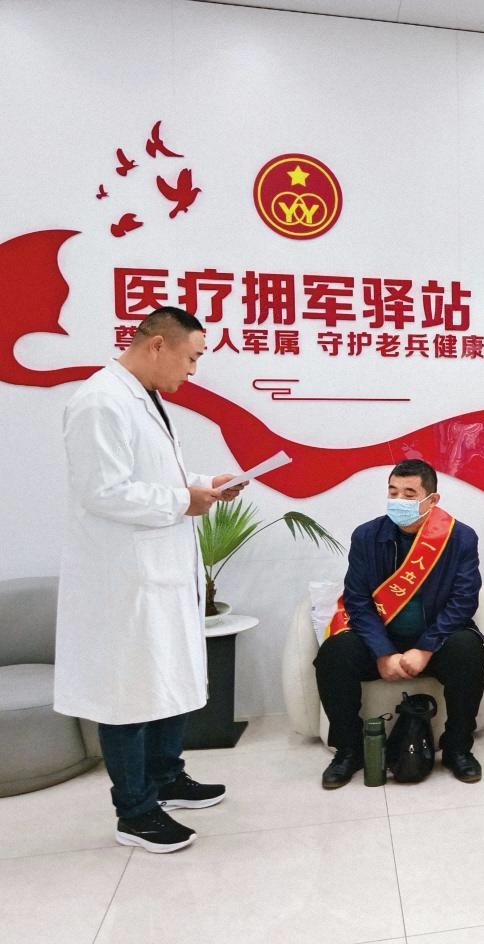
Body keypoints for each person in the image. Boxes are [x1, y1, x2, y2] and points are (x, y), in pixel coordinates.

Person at [56, 306, 246, 854]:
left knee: (166, 679)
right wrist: (184, 500)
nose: (193, 370)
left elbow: (155, 476)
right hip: (124, 581)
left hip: (158, 573)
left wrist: (206, 484)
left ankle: (166, 777)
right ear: (158, 344)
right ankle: (135, 812)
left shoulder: (146, 398)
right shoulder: (100, 401)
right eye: (191, 358)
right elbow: (103, 491)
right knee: (130, 694)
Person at [314, 459, 484, 787]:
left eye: (409, 494)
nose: (398, 501)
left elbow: (464, 601)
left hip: (435, 640)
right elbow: (357, 600)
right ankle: (349, 750)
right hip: (381, 638)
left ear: (432, 500)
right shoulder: (367, 536)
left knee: (468, 650)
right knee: (334, 654)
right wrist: (382, 652)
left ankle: (458, 748)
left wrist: (425, 648)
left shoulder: (460, 538)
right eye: (393, 492)